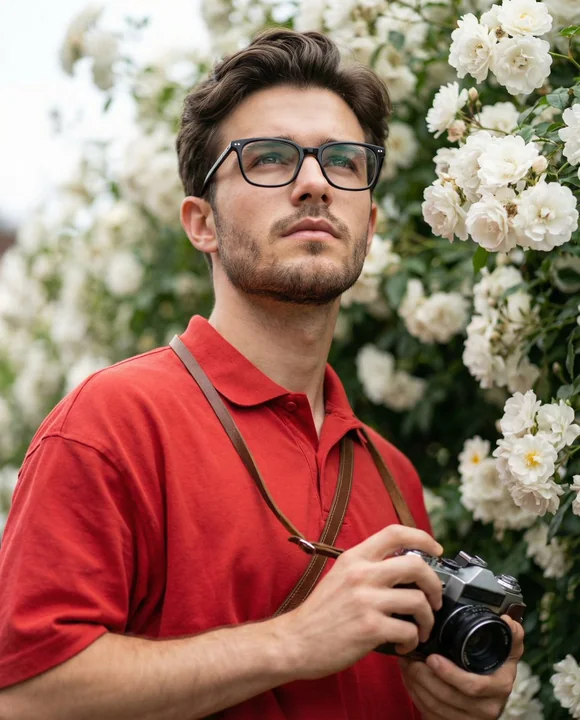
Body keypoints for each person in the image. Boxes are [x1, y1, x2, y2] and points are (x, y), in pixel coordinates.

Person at [0, 29, 522, 720]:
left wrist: (457, 703)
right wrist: (292, 643)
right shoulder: (113, 423)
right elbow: (24, 694)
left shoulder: (391, 474)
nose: (313, 183)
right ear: (201, 223)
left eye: (343, 162)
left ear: (369, 224)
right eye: (269, 159)